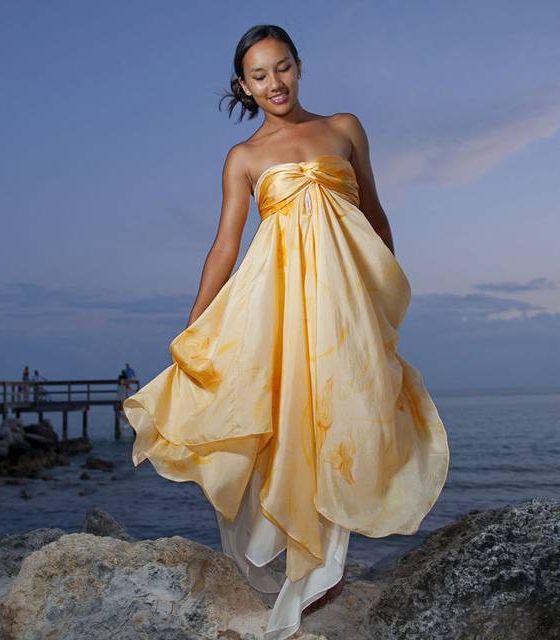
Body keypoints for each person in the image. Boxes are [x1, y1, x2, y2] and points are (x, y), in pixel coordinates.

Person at [122, 24, 450, 640]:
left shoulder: (346, 128)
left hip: (345, 304)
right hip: (276, 303)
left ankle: (325, 573)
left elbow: (374, 214)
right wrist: (196, 323)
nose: (274, 83)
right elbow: (225, 245)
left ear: (299, 66)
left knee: (347, 415)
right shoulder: (243, 158)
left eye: (282, 68)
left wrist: (382, 293)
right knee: (285, 421)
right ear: (243, 85)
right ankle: (294, 569)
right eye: (259, 75)